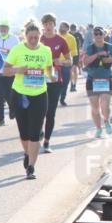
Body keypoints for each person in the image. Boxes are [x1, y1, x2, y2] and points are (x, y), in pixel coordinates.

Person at [3, 20, 53, 180]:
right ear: (25, 36)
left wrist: (52, 76)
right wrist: (20, 70)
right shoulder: (17, 50)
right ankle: (27, 152)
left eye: (36, 38)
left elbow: (49, 69)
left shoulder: (46, 50)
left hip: (39, 94)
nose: (33, 40)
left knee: (35, 132)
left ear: (40, 36)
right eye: (30, 37)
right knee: (24, 132)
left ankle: (31, 167)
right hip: (20, 95)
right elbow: (5, 70)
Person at [38, 14, 71, 153]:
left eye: (51, 23)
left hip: (55, 80)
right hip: (39, 79)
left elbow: (70, 61)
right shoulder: (38, 39)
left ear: (54, 25)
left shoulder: (61, 40)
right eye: (46, 23)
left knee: (50, 112)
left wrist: (61, 61)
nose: (48, 26)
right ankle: (38, 130)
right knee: (39, 110)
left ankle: (46, 142)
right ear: (43, 25)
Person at [81, 26, 112, 138]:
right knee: (95, 108)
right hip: (92, 80)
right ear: (93, 36)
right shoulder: (90, 48)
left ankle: (106, 121)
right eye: (95, 34)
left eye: (100, 34)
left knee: (105, 104)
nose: (98, 36)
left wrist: (111, 60)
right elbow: (85, 62)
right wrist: (97, 55)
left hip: (106, 79)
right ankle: (98, 128)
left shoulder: (110, 47)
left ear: (104, 35)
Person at [0, 20, 20, 125]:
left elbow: (18, 53)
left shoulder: (14, 39)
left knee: (9, 94)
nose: (3, 29)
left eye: (5, 27)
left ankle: (12, 110)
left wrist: (9, 52)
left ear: (8, 29)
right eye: (1, 27)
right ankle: (1, 118)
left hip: (10, 72)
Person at [59, 21, 79, 105]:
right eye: (60, 26)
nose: (61, 28)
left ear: (67, 28)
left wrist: (74, 63)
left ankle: (62, 98)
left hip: (67, 63)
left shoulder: (71, 38)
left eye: (63, 27)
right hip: (56, 64)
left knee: (66, 82)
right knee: (55, 82)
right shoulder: (56, 36)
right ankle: (56, 96)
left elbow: (74, 51)